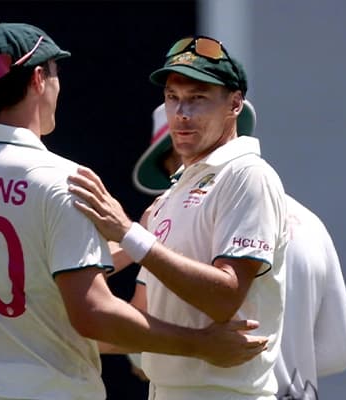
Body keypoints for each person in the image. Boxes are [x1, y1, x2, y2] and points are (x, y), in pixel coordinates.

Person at [0, 23, 269, 400]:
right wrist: (200, 343)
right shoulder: (61, 180)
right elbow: (92, 313)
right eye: (56, 75)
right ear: (40, 78)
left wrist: (134, 238)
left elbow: (28, 278)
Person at [69, 35, 289, 399]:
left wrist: (129, 234)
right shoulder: (173, 193)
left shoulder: (249, 174)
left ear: (235, 104)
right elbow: (141, 316)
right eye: (173, 98)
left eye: (198, 98)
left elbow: (224, 297)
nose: (182, 114)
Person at [131, 100, 346, 399]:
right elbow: (338, 352)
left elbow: (137, 329)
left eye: (171, 167)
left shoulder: (171, 228)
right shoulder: (312, 224)